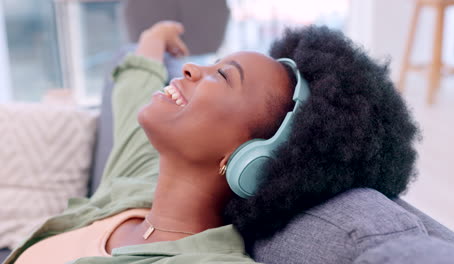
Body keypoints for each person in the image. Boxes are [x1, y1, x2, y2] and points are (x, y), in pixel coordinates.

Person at [4, 20, 418, 264]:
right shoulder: (139, 179)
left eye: (222, 76)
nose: (189, 69)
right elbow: (135, 83)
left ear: (252, 159)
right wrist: (154, 39)